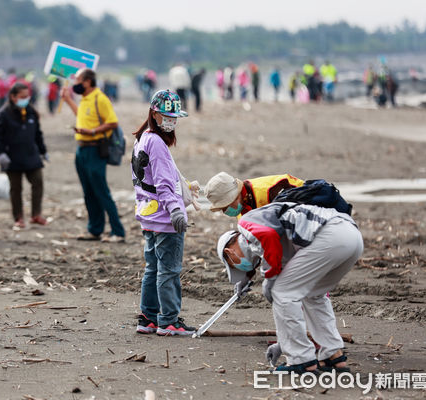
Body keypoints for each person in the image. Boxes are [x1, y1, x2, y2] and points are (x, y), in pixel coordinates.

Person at [216, 201, 363, 373]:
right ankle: (333, 356)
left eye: (233, 264)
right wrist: (282, 343)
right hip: (351, 235)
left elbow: (268, 236)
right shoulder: (281, 244)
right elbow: (292, 302)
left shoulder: (245, 223)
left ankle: (301, 360)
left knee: (282, 292)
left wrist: (268, 277)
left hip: (329, 235)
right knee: (314, 295)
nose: (238, 266)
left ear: (229, 252)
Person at [132, 89, 195, 336]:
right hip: (164, 218)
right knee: (168, 270)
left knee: (153, 268)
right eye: (167, 116)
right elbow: (164, 183)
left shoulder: (142, 138)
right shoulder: (157, 143)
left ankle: (147, 317)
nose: (172, 121)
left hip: (147, 215)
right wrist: (176, 211)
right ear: (155, 114)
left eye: (175, 117)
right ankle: (168, 320)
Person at [60, 68, 125, 243]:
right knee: (88, 192)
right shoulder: (85, 99)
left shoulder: (100, 98)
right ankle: (94, 230)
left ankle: (118, 232)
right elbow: (81, 115)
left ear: (87, 82)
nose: (75, 83)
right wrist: (67, 100)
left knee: (101, 191)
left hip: (95, 149)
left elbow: (112, 122)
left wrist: (92, 131)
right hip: (81, 149)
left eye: (78, 80)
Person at [0, 83, 48, 229]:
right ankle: (19, 217)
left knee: (38, 182)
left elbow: (37, 133)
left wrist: (43, 150)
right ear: (13, 97)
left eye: (27, 96)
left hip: (31, 155)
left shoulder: (31, 112)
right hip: (12, 157)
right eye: (22, 97)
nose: (25, 99)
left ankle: (36, 214)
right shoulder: (3, 114)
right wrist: (0, 153)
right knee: (16, 189)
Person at [205, 172, 304, 217]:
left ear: (234, 197)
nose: (224, 211)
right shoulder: (243, 205)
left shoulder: (271, 191)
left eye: (224, 207)